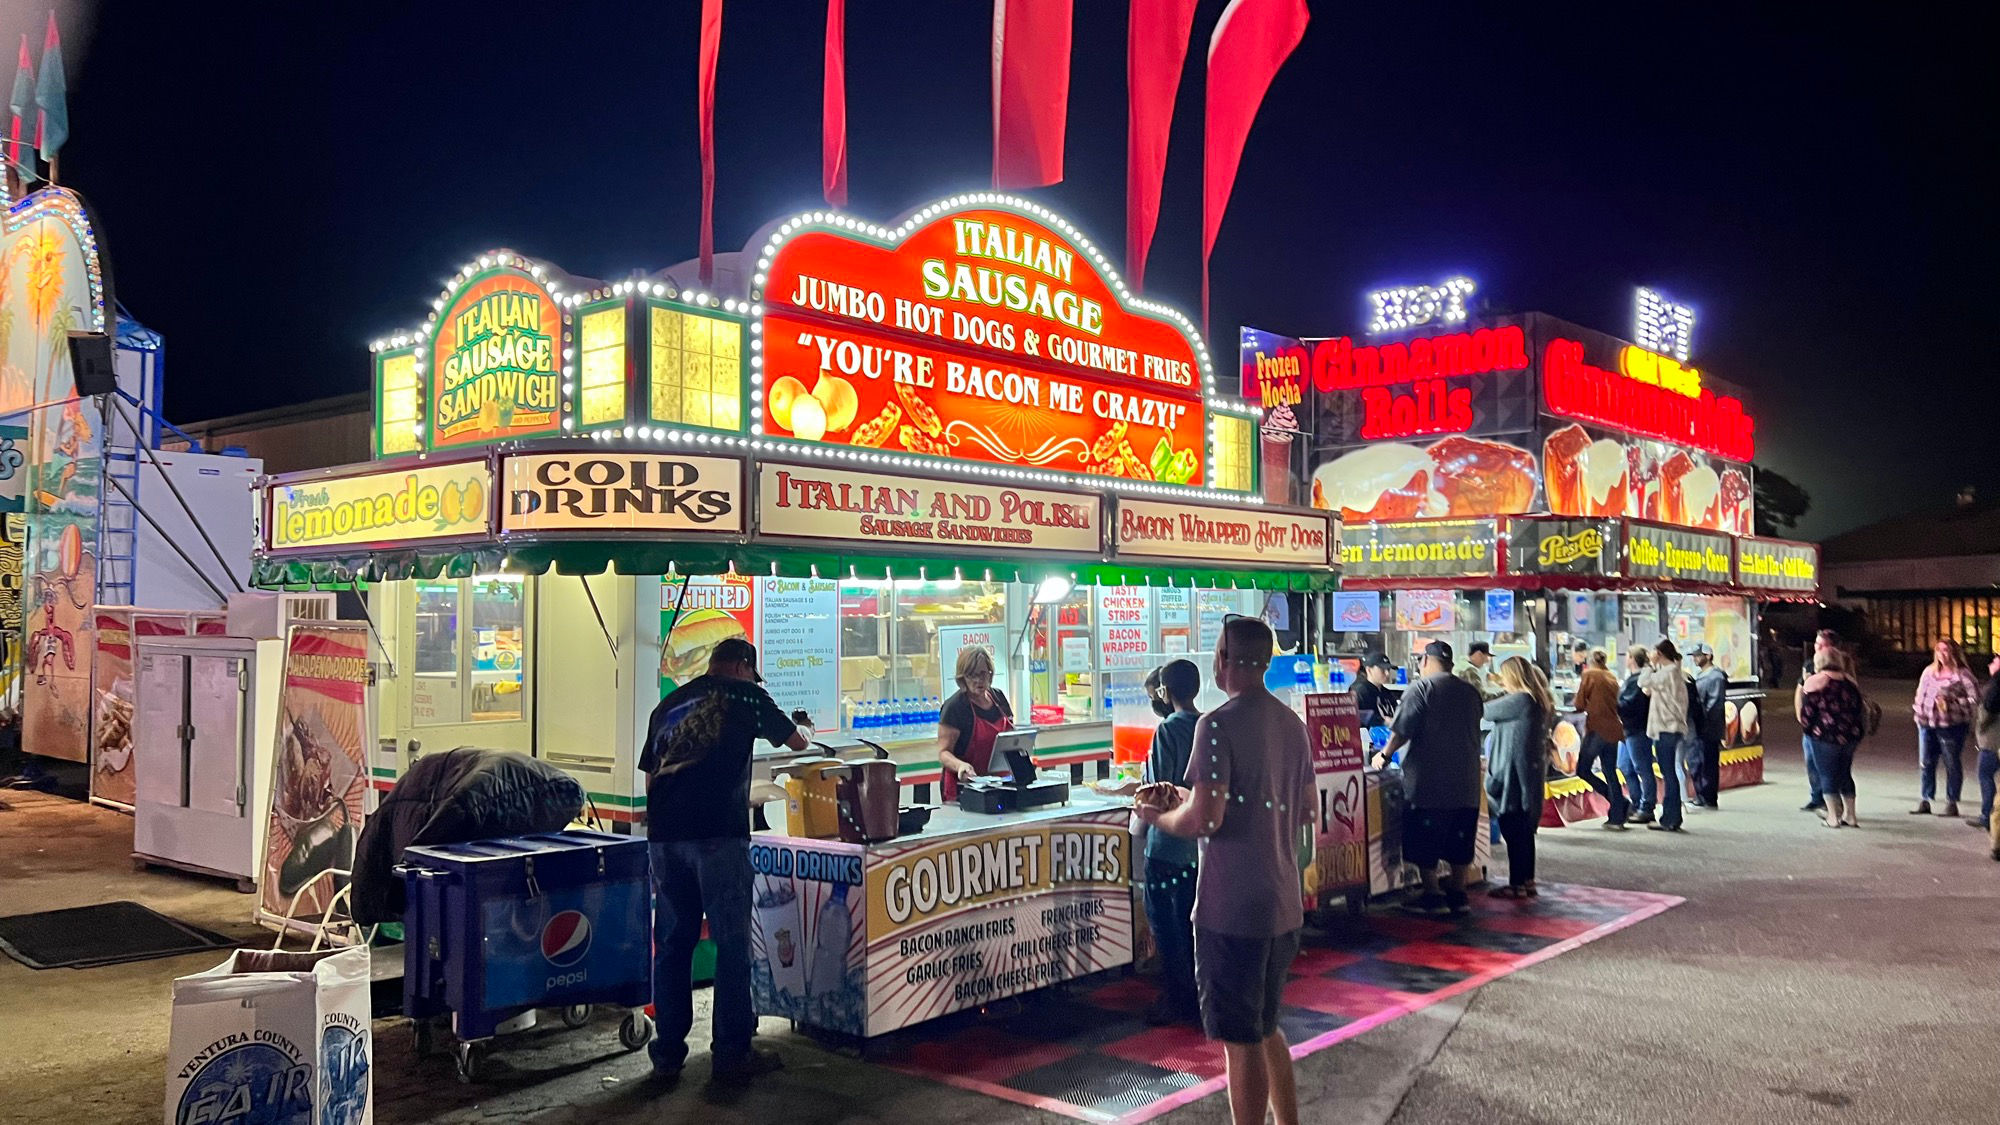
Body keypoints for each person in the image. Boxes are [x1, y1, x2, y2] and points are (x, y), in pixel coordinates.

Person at [1137, 617, 1314, 1125]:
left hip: (1231, 908)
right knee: (1265, 1026)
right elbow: (1305, 811)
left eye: (1217, 650)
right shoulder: (1292, 725)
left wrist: (1160, 816)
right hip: (1283, 902)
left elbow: (1206, 819)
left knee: (1239, 1041)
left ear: (1228, 661)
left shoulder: (1215, 725)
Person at [641, 636, 808, 1084]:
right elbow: (796, 743)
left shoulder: (670, 703)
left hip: (664, 838)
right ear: (741, 667)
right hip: (718, 836)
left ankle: (667, 1057)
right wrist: (801, 727)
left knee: (673, 945)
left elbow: (651, 777)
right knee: (732, 945)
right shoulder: (747, 695)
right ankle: (731, 1053)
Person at [1372, 640, 1484, 915]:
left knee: (1425, 837)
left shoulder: (1421, 689)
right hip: (1467, 780)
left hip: (1429, 782)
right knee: (1460, 837)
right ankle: (1458, 894)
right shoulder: (1470, 692)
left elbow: (1401, 730)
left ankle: (1432, 894)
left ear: (1424, 661)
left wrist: (1384, 755)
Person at [1131, 658, 1203, 1026]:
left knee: (1166, 927)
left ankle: (1177, 999)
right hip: (1197, 848)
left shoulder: (1168, 731)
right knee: (1188, 926)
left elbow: (1156, 790)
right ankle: (1195, 993)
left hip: (1166, 846)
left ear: (1164, 691)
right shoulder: (1209, 725)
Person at [1485, 657, 1554, 896]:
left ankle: (1516, 885)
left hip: (1513, 776)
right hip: (1528, 774)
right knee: (1524, 832)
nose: (1501, 679)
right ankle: (1527, 881)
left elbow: (1485, 712)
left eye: (1504, 674)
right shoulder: (1536, 700)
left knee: (1512, 828)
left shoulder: (1521, 700)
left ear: (1512, 676)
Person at [1796, 647, 1866, 827]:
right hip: (1850, 736)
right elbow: (1859, 709)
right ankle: (1851, 815)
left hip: (1825, 736)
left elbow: (1808, 713)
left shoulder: (1815, 682)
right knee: (1845, 773)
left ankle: (1833, 817)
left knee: (1827, 774)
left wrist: (1808, 730)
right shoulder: (1850, 682)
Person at [937, 645, 1014, 801]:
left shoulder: (998, 697)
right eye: (972, 675)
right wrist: (960, 766)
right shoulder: (955, 707)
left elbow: (1011, 737)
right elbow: (943, 753)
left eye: (983, 674)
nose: (979, 680)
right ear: (962, 677)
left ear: (990, 674)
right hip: (964, 788)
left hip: (998, 784)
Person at [1911, 638, 1977, 817]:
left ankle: (1952, 801)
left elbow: (1974, 699)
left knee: (1951, 762)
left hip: (1951, 726)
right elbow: (1920, 694)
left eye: (1946, 650)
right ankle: (1926, 798)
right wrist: (1918, 713)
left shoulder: (1962, 675)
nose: (1942, 654)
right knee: (1926, 762)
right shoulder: (1928, 672)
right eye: (1938, 650)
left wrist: (1954, 701)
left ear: (1954, 653)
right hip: (1927, 724)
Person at [1573, 649, 1630, 827]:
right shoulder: (1611, 677)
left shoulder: (1589, 674)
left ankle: (1618, 802)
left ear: (1590, 661)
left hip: (1597, 728)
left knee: (1583, 769)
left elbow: (1579, 703)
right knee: (1610, 771)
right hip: (1614, 728)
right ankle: (1617, 813)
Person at [1637, 639, 1689, 832]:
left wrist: (1649, 664)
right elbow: (1649, 690)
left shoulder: (1667, 673)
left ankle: (1670, 818)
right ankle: (1672, 817)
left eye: (1653, 651)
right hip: (1672, 728)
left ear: (1659, 653)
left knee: (1668, 773)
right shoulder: (1674, 672)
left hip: (1666, 728)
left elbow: (1643, 681)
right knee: (1670, 773)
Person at [1616, 646, 1657, 825]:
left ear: (1632, 658)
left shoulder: (1639, 680)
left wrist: (1613, 703)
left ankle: (1647, 806)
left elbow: (1630, 704)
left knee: (1642, 768)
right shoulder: (1632, 679)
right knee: (1625, 766)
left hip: (1637, 729)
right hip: (1627, 729)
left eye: (1627, 655)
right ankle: (1637, 801)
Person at [1688, 643, 1729, 809]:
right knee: (1698, 761)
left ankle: (1708, 796)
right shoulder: (1703, 676)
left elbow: (1715, 705)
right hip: (1701, 727)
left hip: (1708, 729)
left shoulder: (1715, 677)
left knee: (1707, 763)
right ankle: (1702, 795)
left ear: (1708, 656)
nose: (1695, 659)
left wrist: (1703, 722)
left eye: (1698, 655)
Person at [1971, 655, 2000, 832]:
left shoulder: (1997, 685)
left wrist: (1980, 725)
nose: (1991, 664)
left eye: (1995, 661)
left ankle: (1987, 815)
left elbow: (1988, 709)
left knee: (1984, 774)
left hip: (1993, 740)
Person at [1353, 652, 1396, 727]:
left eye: (1388, 669)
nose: (1387, 673)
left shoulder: (1388, 693)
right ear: (1369, 670)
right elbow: (1357, 715)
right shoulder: (1360, 693)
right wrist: (1382, 721)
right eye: (1382, 669)